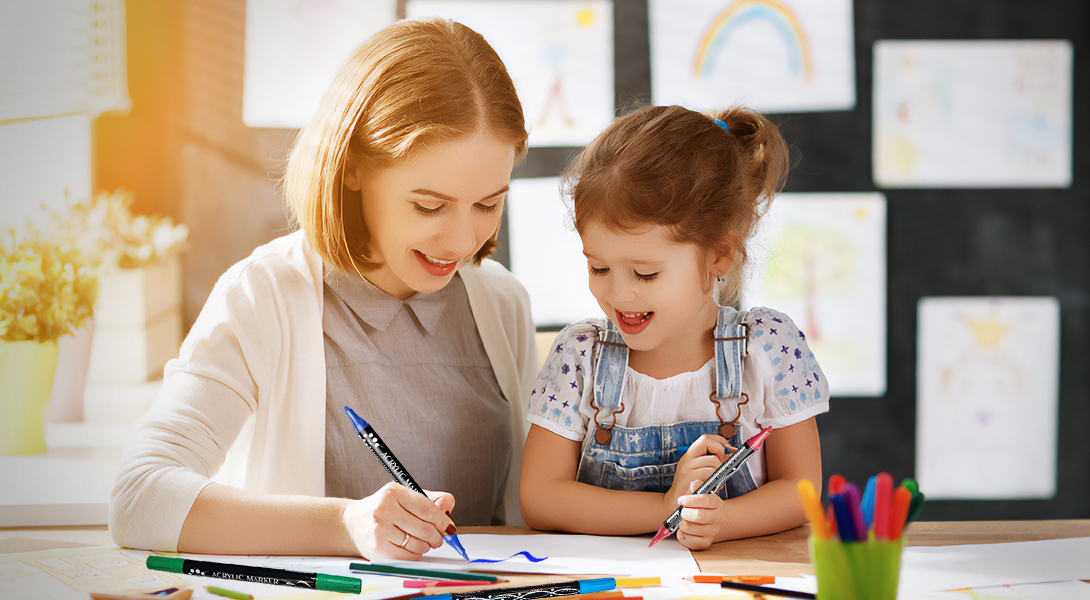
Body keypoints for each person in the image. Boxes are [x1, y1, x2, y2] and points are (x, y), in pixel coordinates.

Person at [109, 18, 538, 561]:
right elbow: (138, 496)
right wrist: (345, 525)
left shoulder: (501, 305)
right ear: (354, 167)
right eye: (428, 206)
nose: (461, 240)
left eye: (487, 204)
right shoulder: (265, 293)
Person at [519, 105, 826, 549]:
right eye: (599, 267)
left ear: (718, 257)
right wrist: (664, 508)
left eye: (645, 274)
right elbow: (540, 497)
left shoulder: (767, 348)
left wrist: (725, 520)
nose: (619, 295)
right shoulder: (579, 356)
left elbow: (802, 488)